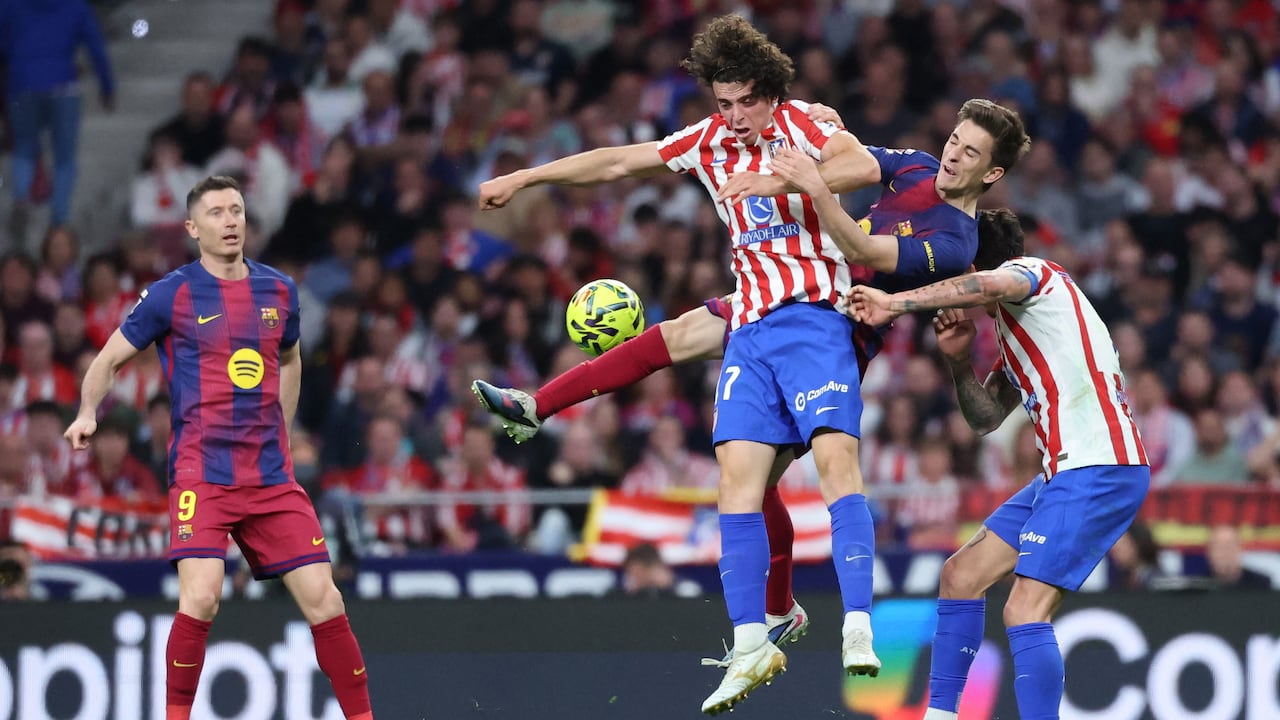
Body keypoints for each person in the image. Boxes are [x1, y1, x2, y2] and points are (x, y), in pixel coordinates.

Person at [475, 14, 1028, 713]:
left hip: (835, 319)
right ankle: (538, 406)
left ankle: (806, 613)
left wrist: (777, 179)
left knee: (783, 470)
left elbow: (860, 224)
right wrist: (529, 176)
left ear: (992, 171)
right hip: (767, 302)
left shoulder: (952, 240)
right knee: (690, 366)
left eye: (969, 152)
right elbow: (621, 161)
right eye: (953, 140)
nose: (952, 156)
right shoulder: (904, 163)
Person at [63, 176, 374, 720]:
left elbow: (291, 358)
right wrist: (88, 410)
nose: (230, 221)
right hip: (202, 472)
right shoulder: (172, 293)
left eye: (237, 210)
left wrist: (283, 427)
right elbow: (108, 360)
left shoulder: (280, 291)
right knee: (203, 595)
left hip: (270, 475)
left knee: (326, 600)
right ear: (192, 227)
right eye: (216, 213)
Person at [846, 210, 1150, 720]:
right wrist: (958, 363)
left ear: (970, 263)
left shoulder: (1036, 275)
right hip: (1064, 472)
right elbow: (985, 418)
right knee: (961, 575)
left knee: (1024, 608)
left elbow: (989, 282)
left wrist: (894, 302)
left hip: (1099, 464)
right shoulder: (1019, 328)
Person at [1, 0, 115, 235]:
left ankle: (21, 199)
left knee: (24, 148)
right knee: (65, 158)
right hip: (63, 83)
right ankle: (58, 220)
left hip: (22, 82)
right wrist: (107, 86)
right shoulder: (75, 6)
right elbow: (95, 46)